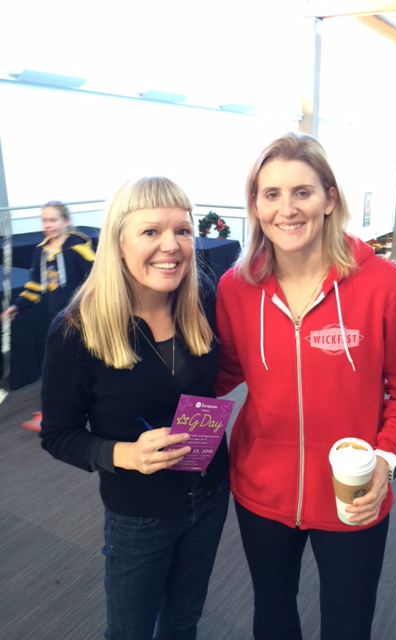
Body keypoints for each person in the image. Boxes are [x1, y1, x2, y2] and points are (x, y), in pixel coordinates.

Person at [215, 133, 396, 640]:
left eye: (303, 192)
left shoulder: (384, 285)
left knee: (347, 624)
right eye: (270, 194)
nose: (286, 209)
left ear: (330, 198)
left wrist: (386, 459)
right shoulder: (236, 286)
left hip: (354, 487)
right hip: (261, 489)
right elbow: (222, 371)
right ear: (255, 205)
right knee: (272, 616)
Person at [40, 177, 229, 640]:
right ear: (119, 242)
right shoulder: (76, 330)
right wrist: (124, 454)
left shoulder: (202, 302)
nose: (171, 246)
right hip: (139, 513)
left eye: (183, 231)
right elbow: (58, 434)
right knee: (130, 631)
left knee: (184, 622)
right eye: (151, 232)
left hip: (209, 496)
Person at [1, 201, 95, 322]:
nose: (47, 225)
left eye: (53, 220)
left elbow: (96, 279)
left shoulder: (78, 249)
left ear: (66, 221)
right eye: (44, 221)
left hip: (84, 316)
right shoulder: (41, 251)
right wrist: (17, 306)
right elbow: (36, 285)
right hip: (59, 318)